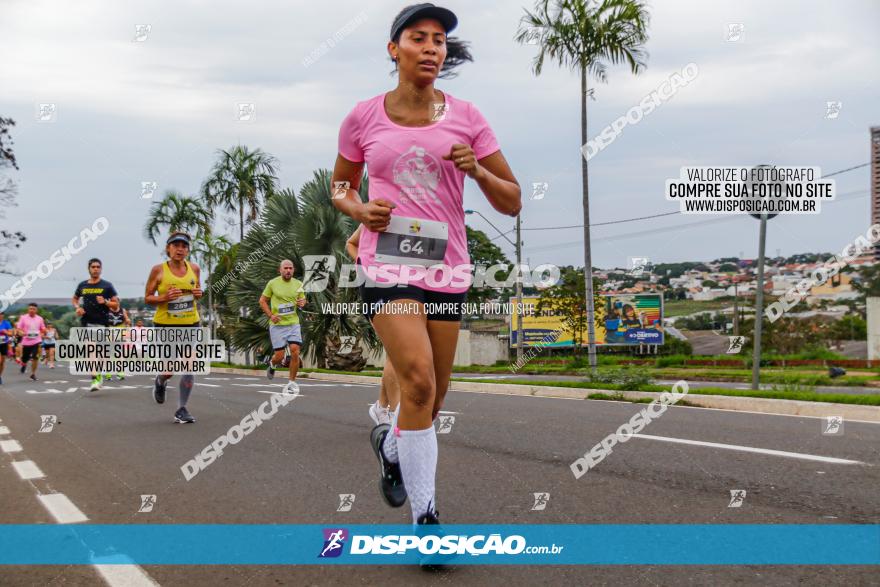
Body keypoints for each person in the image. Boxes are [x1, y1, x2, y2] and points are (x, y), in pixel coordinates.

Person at [331, 3, 521, 533]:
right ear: (395, 49)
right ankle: (427, 518)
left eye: (439, 39)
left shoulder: (468, 116)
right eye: (419, 37)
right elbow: (341, 186)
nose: (432, 47)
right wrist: (359, 209)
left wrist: (478, 170)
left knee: (432, 397)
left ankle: (393, 444)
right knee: (415, 381)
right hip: (386, 263)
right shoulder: (363, 116)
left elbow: (513, 201)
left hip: (446, 266)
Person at [145, 231, 203, 424]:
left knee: (188, 363)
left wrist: (198, 294)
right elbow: (148, 298)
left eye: (184, 246)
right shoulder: (158, 270)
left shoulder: (194, 268)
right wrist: (164, 297)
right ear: (168, 248)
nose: (180, 249)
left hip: (190, 323)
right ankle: (161, 380)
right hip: (165, 325)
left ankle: (181, 409)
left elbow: (197, 291)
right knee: (170, 368)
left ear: (188, 249)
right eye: (176, 245)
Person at [346, 225, 400, 426]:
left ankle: (381, 407)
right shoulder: (377, 215)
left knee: (395, 352)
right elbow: (351, 243)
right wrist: (365, 268)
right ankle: (395, 414)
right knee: (396, 350)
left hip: (409, 287)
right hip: (378, 289)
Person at [259, 259, 307, 394]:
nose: (288, 270)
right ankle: (273, 364)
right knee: (279, 356)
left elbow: (303, 299)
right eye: (285, 268)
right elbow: (262, 300)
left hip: (293, 323)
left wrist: (302, 302)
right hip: (277, 325)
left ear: (293, 270)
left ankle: (291, 383)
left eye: (290, 268)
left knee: (295, 350)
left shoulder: (298, 284)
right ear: (280, 270)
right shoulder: (272, 283)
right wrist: (271, 315)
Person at [73, 258, 121, 391]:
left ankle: (98, 375)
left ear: (101, 269)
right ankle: (94, 378)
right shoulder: (82, 285)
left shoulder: (107, 286)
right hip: (87, 322)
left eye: (98, 267)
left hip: (102, 323)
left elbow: (116, 304)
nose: (95, 269)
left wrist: (105, 302)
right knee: (91, 350)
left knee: (101, 356)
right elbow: (75, 298)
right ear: (89, 269)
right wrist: (77, 307)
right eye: (93, 267)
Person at [17, 303, 47, 381]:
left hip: (37, 340)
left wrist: (44, 331)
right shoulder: (23, 318)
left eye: (33, 309)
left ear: (36, 310)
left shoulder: (40, 318)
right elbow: (19, 329)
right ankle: (24, 364)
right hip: (26, 342)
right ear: (28, 309)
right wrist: (21, 332)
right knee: (24, 358)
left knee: (35, 357)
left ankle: (33, 374)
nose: (32, 310)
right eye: (30, 308)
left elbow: (43, 328)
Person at [0, 311, 13, 384]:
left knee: (2, 362)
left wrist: (6, 332)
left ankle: (0, 376)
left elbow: (11, 333)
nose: (0, 315)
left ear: (3, 315)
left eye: (1, 314)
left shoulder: (6, 323)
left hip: (4, 343)